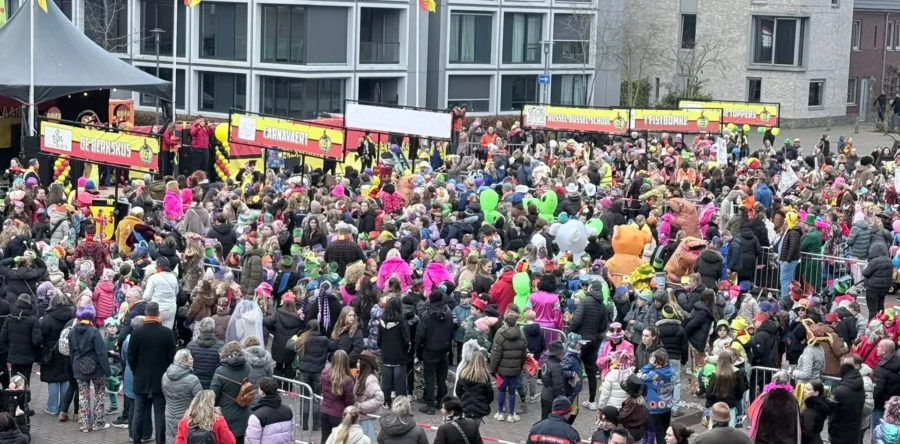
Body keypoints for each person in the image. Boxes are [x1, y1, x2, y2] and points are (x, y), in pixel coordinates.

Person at [129, 302, 177, 444]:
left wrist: (136, 370)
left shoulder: (136, 333)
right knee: (160, 412)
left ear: (146, 313)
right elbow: (172, 357)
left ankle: (136, 440)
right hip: (160, 378)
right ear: (158, 314)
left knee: (139, 411)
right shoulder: (167, 333)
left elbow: (131, 357)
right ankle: (160, 441)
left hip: (140, 377)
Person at [69, 304, 111, 433]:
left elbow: (71, 352)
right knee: (99, 394)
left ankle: (85, 424)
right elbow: (101, 352)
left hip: (79, 366)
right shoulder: (94, 331)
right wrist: (107, 370)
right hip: (96, 368)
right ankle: (98, 422)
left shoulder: (72, 331)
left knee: (83, 395)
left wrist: (74, 367)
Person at [570, 280, 610, 410]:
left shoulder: (585, 301)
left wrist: (572, 326)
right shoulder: (603, 306)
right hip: (593, 340)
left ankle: (570, 400)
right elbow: (603, 326)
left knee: (573, 368)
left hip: (581, 341)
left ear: (591, 288)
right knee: (591, 371)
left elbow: (576, 321)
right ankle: (592, 401)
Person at [289, 320, 334, 431]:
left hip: (304, 373)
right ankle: (316, 425)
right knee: (316, 400)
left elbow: (289, 345)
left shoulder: (303, 339)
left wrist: (294, 337)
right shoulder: (324, 340)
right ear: (318, 328)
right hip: (318, 373)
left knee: (304, 399)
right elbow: (334, 346)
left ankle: (304, 424)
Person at [415, 289, 455, 415]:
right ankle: (441, 402)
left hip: (430, 349)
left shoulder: (426, 315)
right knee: (441, 377)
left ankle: (430, 404)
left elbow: (421, 334)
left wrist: (417, 350)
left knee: (429, 377)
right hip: (444, 349)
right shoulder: (448, 312)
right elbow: (451, 331)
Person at [1, 293, 41, 409]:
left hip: (13, 356)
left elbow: (3, 337)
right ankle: (23, 406)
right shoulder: (33, 320)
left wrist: (11, 347)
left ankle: (13, 405)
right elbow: (37, 340)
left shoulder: (9, 318)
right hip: (27, 357)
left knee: (13, 380)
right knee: (25, 380)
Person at [39, 293, 75, 416]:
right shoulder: (72, 315)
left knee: (52, 380)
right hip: (67, 350)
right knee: (65, 378)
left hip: (51, 352)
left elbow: (41, 336)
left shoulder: (47, 318)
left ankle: (52, 407)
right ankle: (63, 407)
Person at [490, 310, 527, 422]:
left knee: (501, 390)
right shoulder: (521, 334)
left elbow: (495, 354)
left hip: (502, 369)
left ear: (505, 322)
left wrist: (493, 369)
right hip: (515, 369)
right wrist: (519, 368)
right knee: (512, 391)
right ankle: (511, 414)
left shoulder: (500, 333)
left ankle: (500, 412)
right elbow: (523, 354)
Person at [211, 341, 252, 443]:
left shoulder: (220, 371)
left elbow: (213, 394)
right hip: (244, 412)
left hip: (226, 413)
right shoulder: (247, 367)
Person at [162, 349, 202, 444]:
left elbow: (165, 393)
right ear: (185, 361)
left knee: (171, 438)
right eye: (191, 358)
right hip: (186, 418)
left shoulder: (165, 376)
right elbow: (200, 401)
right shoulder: (193, 380)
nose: (193, 360)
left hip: (169, 415)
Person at [263, 293, 303, 381]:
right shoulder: (297, 318)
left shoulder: (278, 314)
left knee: (278, 365)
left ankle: (277, 384)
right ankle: (287, 387)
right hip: (290, 346)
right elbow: (300, 331)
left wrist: (273, 329)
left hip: (278, 344)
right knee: (289, 367)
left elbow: (267, 322)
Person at [377, 297, 410, 406]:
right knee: (400, 383)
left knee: (386, 381)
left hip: (387, 355)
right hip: (400, 356)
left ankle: (386, 401)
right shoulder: (402, 322)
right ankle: (400, 404)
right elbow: (406, 340)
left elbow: (379, 341)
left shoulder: (381, 322)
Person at [637, 348, 674, 444]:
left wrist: (649, 365)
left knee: (659, 434)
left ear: (657, 362)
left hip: (655, 408)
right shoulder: (671, 370)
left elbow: (639, 374)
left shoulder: (653, 375)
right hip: (667, 404)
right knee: (666, 431)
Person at [829, 354, 867, 444]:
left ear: (857, 366)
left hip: (842, 430)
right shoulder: (858, 382)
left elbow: (868, 405)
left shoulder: (841, 390)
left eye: (848, 365)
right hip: (853, 428)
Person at [321, 350, 356, 444]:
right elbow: (349, 400)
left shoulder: (324, 373)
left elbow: (322, 390)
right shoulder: (347, 380)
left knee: (325, 438)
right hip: (338, 413)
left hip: (324, 410)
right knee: (338, 440)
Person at [245, 377, 294, 444]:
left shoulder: (257, 416)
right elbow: (291, 436)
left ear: (261, 391)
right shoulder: (288, 410)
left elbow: (252, 441)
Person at [454, 346, 494, 422]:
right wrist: (484, 402)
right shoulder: (485, 377)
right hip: (479, 410)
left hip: (465, 408)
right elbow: (490, 395)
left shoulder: (463, 374)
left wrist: (463, 400)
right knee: (475, 430)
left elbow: (458, 391)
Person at [187, 317, 225, 390]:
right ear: (214, 329)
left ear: (200, 328)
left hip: (194, 383)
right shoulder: (221, 346)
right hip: (214, 384)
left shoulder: (191, 346)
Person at [143, 257, 180, 329]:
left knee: (156, 331)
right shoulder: (173, 277)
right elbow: (176, 292)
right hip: (171, 309)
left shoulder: (153, 277)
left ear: (158, 265)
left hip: (157, 309)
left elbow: (146, 296)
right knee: (168, 331)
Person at [354, 351, 383, 442]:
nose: (356, 364)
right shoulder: (361, 377)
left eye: (359, 362)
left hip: (367, 418)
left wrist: (360, 406)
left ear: (364, 364)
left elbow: (380, 398)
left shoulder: (370, 379)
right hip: (363, 417)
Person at [875, 339, 900, 439]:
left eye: (879, 347)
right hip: (896, 407)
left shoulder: (881, 368)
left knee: (878, 435)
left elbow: (877, 391)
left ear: (884, 350)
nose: (877, 348)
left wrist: (873, 405)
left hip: (881, 407)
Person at [540, 341, 566, 420]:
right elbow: (558, 386)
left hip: (544, 393)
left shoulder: (546, 361)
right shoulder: (556, 366)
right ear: (558, 353)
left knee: (544, 417)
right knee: (551, 419)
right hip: (551, 397)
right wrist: (562, 399)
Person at [800, 380, 831, 444]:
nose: (804, 391)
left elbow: (807, 433)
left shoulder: (810, 410)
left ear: (816, 393)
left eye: (808, 389)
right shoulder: (819, 406)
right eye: (805, 388)